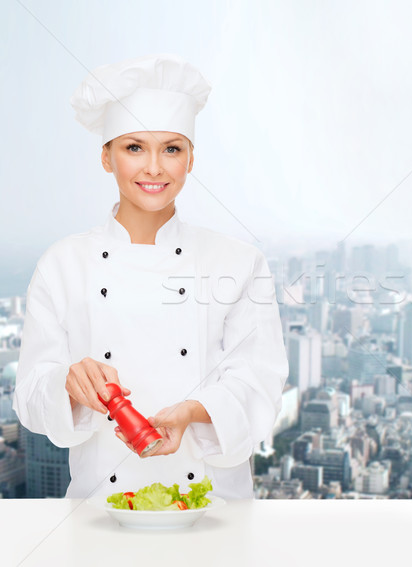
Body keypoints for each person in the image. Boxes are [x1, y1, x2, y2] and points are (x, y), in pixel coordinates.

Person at [13, 54, 289, 500]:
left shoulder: (239, 262)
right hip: (101, 506)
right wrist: (67, 383)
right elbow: (28, 395)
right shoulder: (62, 263)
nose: (155, 168)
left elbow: (261, 381)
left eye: (172, 149)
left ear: (191, 159)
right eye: (134, 147)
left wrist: (192, 411)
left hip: (214, 507)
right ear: (106, 157)